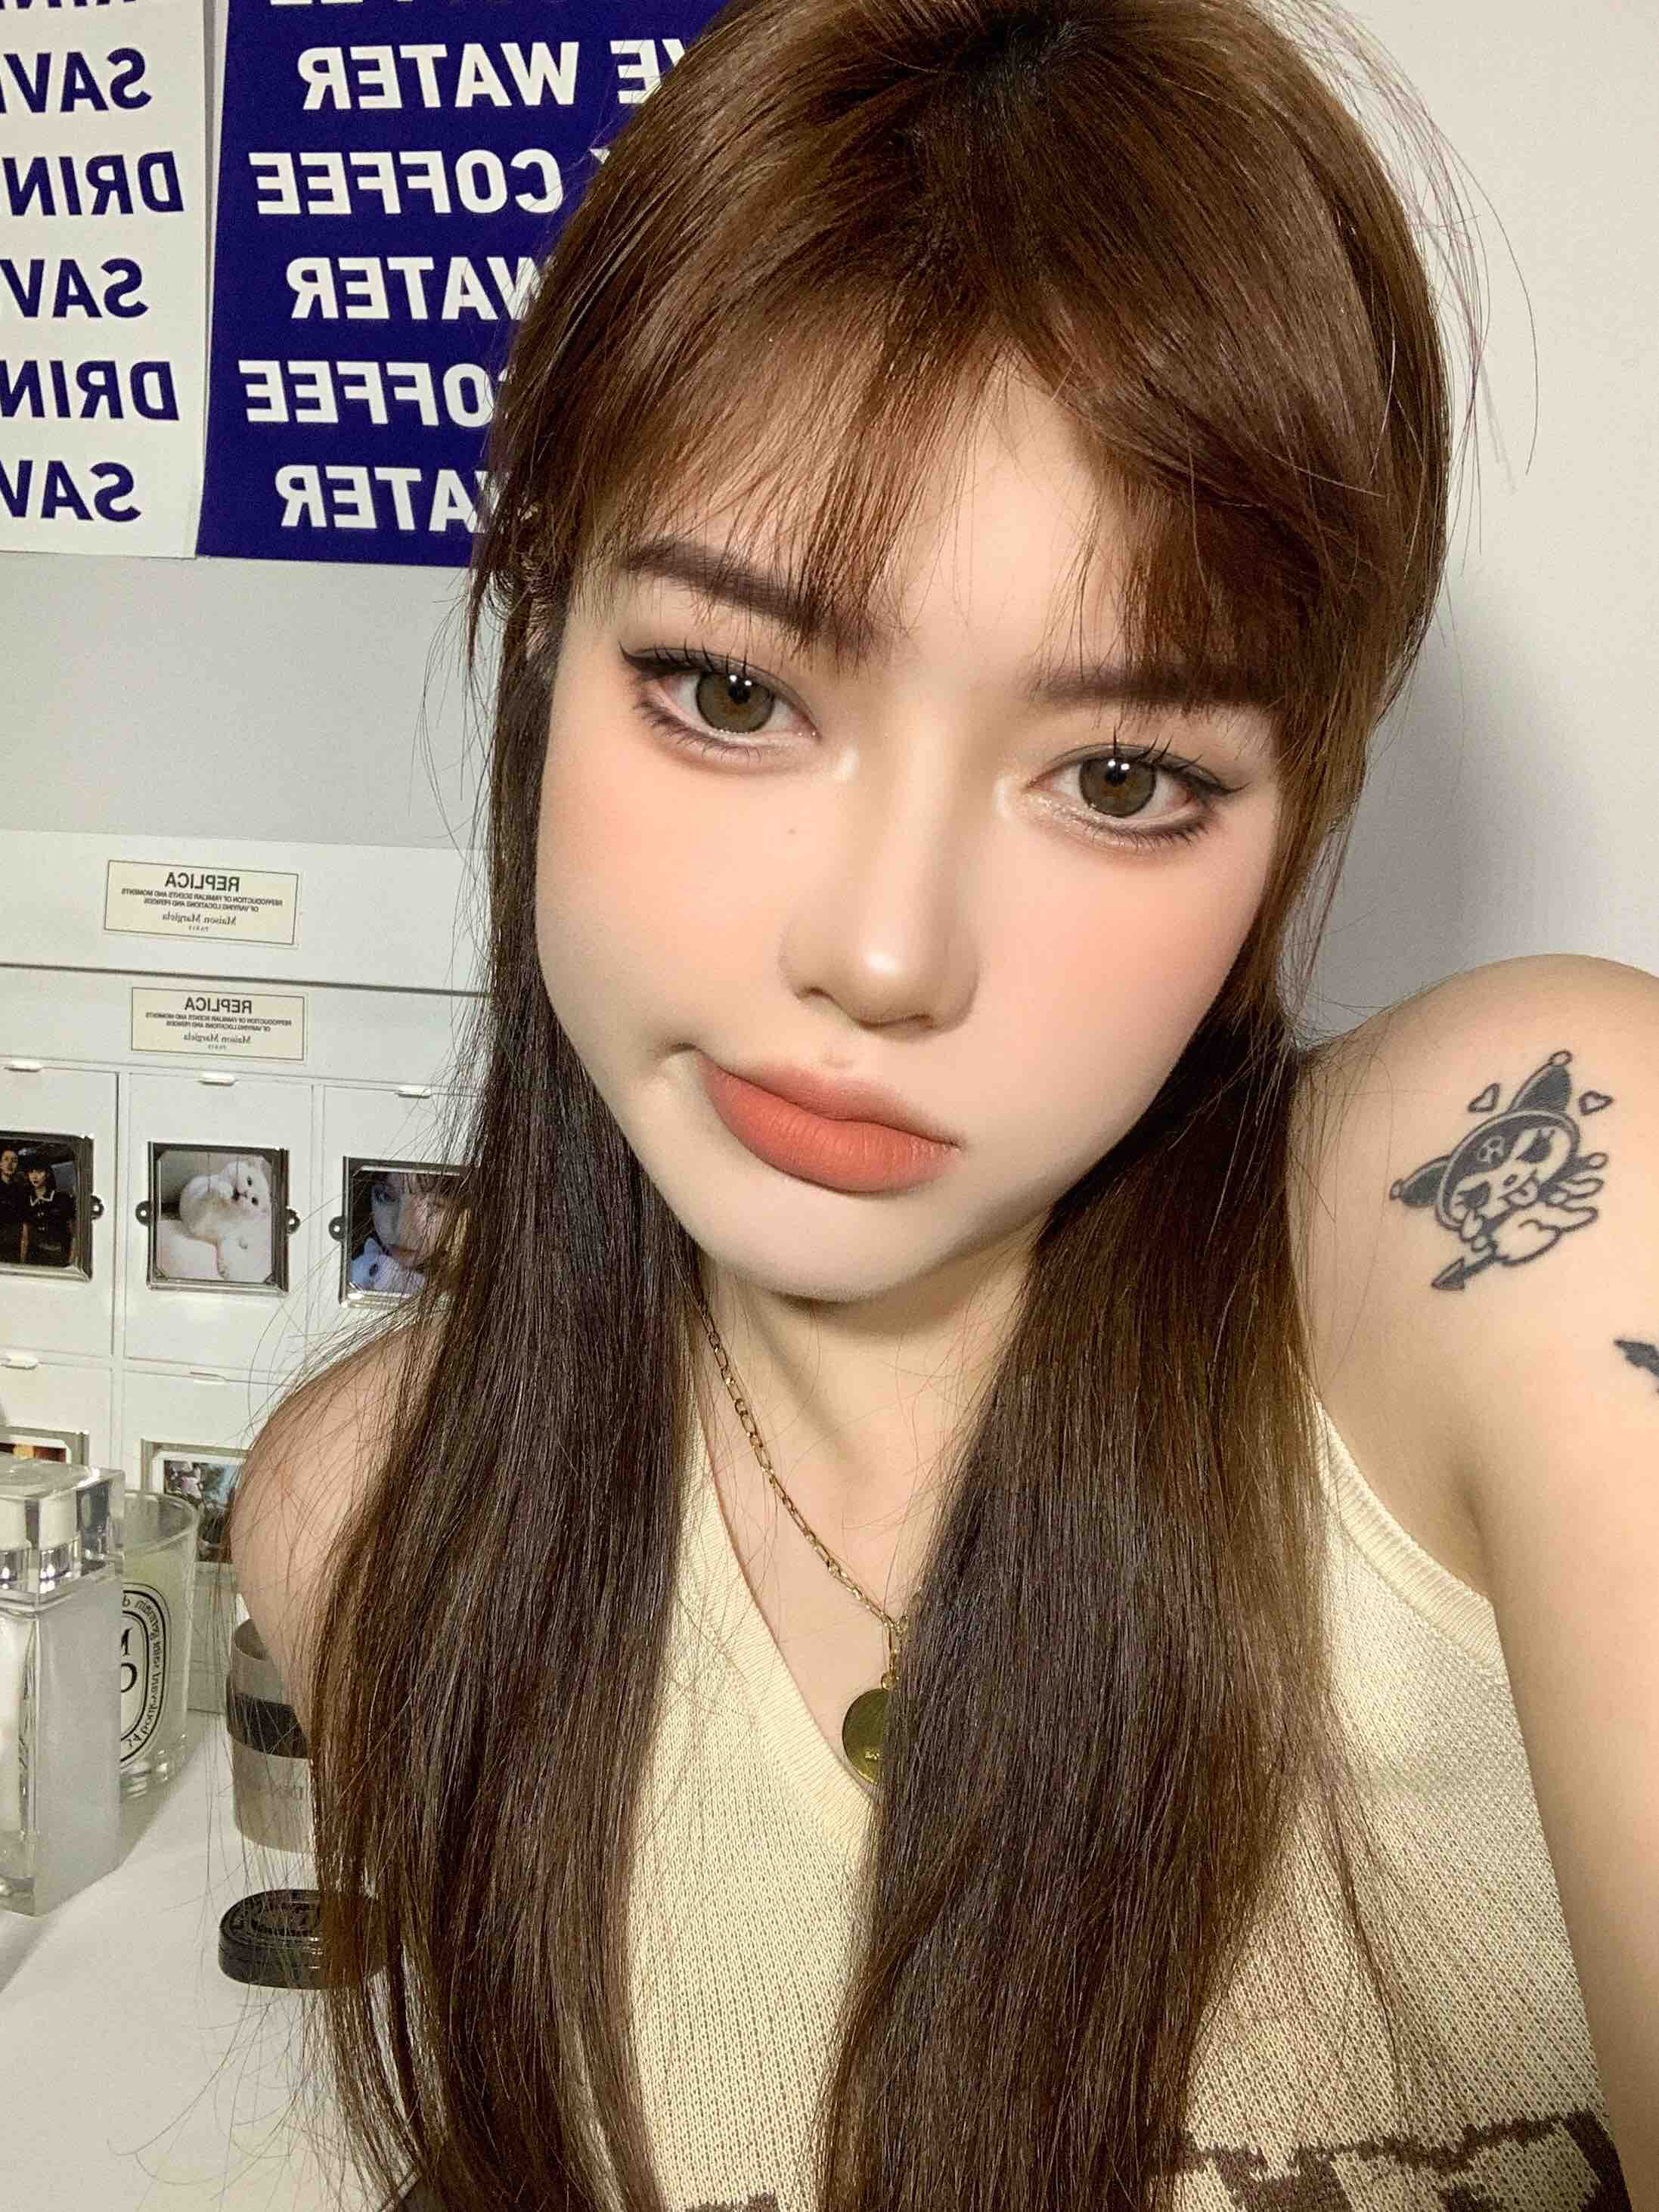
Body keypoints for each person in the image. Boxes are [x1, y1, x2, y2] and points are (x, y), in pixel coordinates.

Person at [227, 2, 1649, 2207]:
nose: (885, 957)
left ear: (1298, 810)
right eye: (728, 689)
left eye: (1121, 779)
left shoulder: (1528, 1205)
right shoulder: (377, 1524)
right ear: (540, 638)